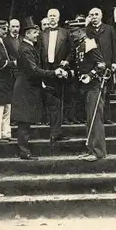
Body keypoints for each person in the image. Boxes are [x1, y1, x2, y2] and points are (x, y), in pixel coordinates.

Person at [12, 16, 68, 160]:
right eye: (35, 32)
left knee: (28, 119)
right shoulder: (26, 49)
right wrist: (54, 72)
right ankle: (24, 151)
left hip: (30, 87)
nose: (38, 34)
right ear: (28, 34)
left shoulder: (29, 47)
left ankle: (26, 149)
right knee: (24, 121)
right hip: (26, 89)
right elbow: (33, 70)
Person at [69, 19, 107, 162]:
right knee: (89, 119)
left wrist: (90, 75)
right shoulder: (80, 45)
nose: (71, 35)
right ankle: (91, 149)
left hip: (94, 87)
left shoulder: (89, 43)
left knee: (95, 119)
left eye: (73, 32)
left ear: (80, 32)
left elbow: (101, 64)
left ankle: (98, 152)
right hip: (86, 88)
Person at [38, 8, 73, 142]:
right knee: (51, 102)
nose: (52, 18)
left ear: (58, 18)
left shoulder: (66, 33)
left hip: (60, 69)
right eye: (50, 16)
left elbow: (71, 51)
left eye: (54, 16)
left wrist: (66, 63)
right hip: (47, 70)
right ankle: (54, 132)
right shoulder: (42, 34)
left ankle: (56, 131)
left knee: (59, 101)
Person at [86, 8, 116, 124]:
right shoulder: (87, 30)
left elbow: (115, 47)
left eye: (96, 14)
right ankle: (96, 117)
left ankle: (106, 117)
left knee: (107, 92)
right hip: (93, 66)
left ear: (101, 16)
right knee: (94, 91)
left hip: (107, 64)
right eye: (91, 15)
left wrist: (115, 62)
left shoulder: (109, 29)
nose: (94, 17)